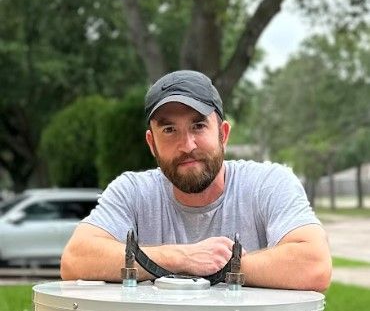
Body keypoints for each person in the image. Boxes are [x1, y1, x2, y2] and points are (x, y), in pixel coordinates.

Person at [61, 70, 332, 291]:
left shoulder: (269, 183)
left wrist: (222, 265)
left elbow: (314, 265)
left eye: (198, 126)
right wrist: (182, 258)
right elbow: (76, 259)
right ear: (152, 144)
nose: (186, 144)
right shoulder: (132, 191)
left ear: (223, 134)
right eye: (169, 130)